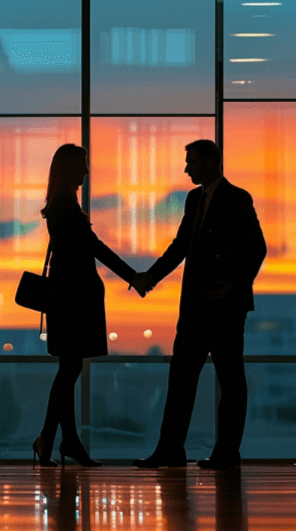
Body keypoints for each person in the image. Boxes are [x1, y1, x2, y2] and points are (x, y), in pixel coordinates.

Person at [131, 139, 267, 470]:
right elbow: (181, 246)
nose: (186, 168)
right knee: (181, 380)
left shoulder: (238, 199)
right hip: (194, 308)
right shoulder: (194, 200)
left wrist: (234, 284)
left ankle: (226, 452)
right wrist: (151, 277)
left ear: (210, 162)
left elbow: (257, 248)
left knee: (230, 381)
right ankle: (171, 450)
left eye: (191, 162)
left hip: (225, 308)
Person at [33, 143, 144, 467]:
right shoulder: (66, 206)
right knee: (69, 370)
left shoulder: (60, 204)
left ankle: (62, 441)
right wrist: (132, 276)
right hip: (74, 298)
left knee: (68, 369)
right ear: (71, 169)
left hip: (68, 297)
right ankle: (51, 440)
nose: (87, 170)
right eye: (82, 164)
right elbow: (94, 247)